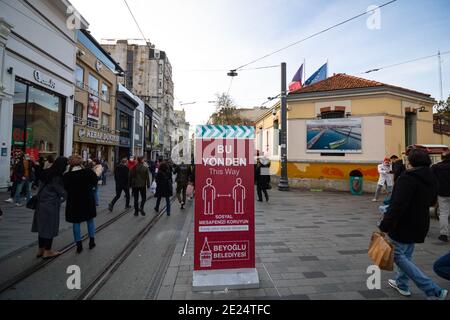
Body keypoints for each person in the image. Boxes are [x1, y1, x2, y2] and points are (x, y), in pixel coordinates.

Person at [379, 149, 448, 300]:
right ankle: (402, 284)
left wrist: (384, 225)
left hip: (403, 224)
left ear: (411, 161)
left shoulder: (407, 178)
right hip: (420, 223)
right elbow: (431, 202)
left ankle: (432, 289)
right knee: (407, 254)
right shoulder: (431, 178)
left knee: (397, 255)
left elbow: (397, 205)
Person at [31, 157, 68, 259]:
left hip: (40, 204)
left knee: (42, 227)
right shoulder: (57, 177)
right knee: (49, 228)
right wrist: (62, 199)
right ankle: (48, 250)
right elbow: (62, 192)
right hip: (50, 205)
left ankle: (40, 249)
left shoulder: (47, 172)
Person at [63, 155, 98, 253]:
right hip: (87, 200)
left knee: (76, 222)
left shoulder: (67, 175)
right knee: (90, 220)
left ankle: (79, 245)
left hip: (74, 202)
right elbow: (95, 182)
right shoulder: (88, 172)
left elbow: (65, 188)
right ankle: (91, 241)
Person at [431, 151, 450, 242]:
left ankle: (444, 234)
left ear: (442, 158)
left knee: (443, 213)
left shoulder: (436, 167)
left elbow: (431, 178)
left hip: (442, 193)